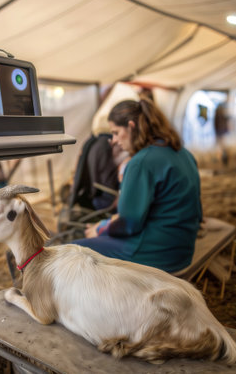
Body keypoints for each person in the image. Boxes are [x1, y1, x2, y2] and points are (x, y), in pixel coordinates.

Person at [72, 99, 203, 273]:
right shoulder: (183, 153)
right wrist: (104, 224)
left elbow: (128, 223)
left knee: (73, 251)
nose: (114, 140)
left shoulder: (141, 162)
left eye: (116, 132)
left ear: (131, 126)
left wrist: (100, 229)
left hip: (157, 254)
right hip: (183, 251)